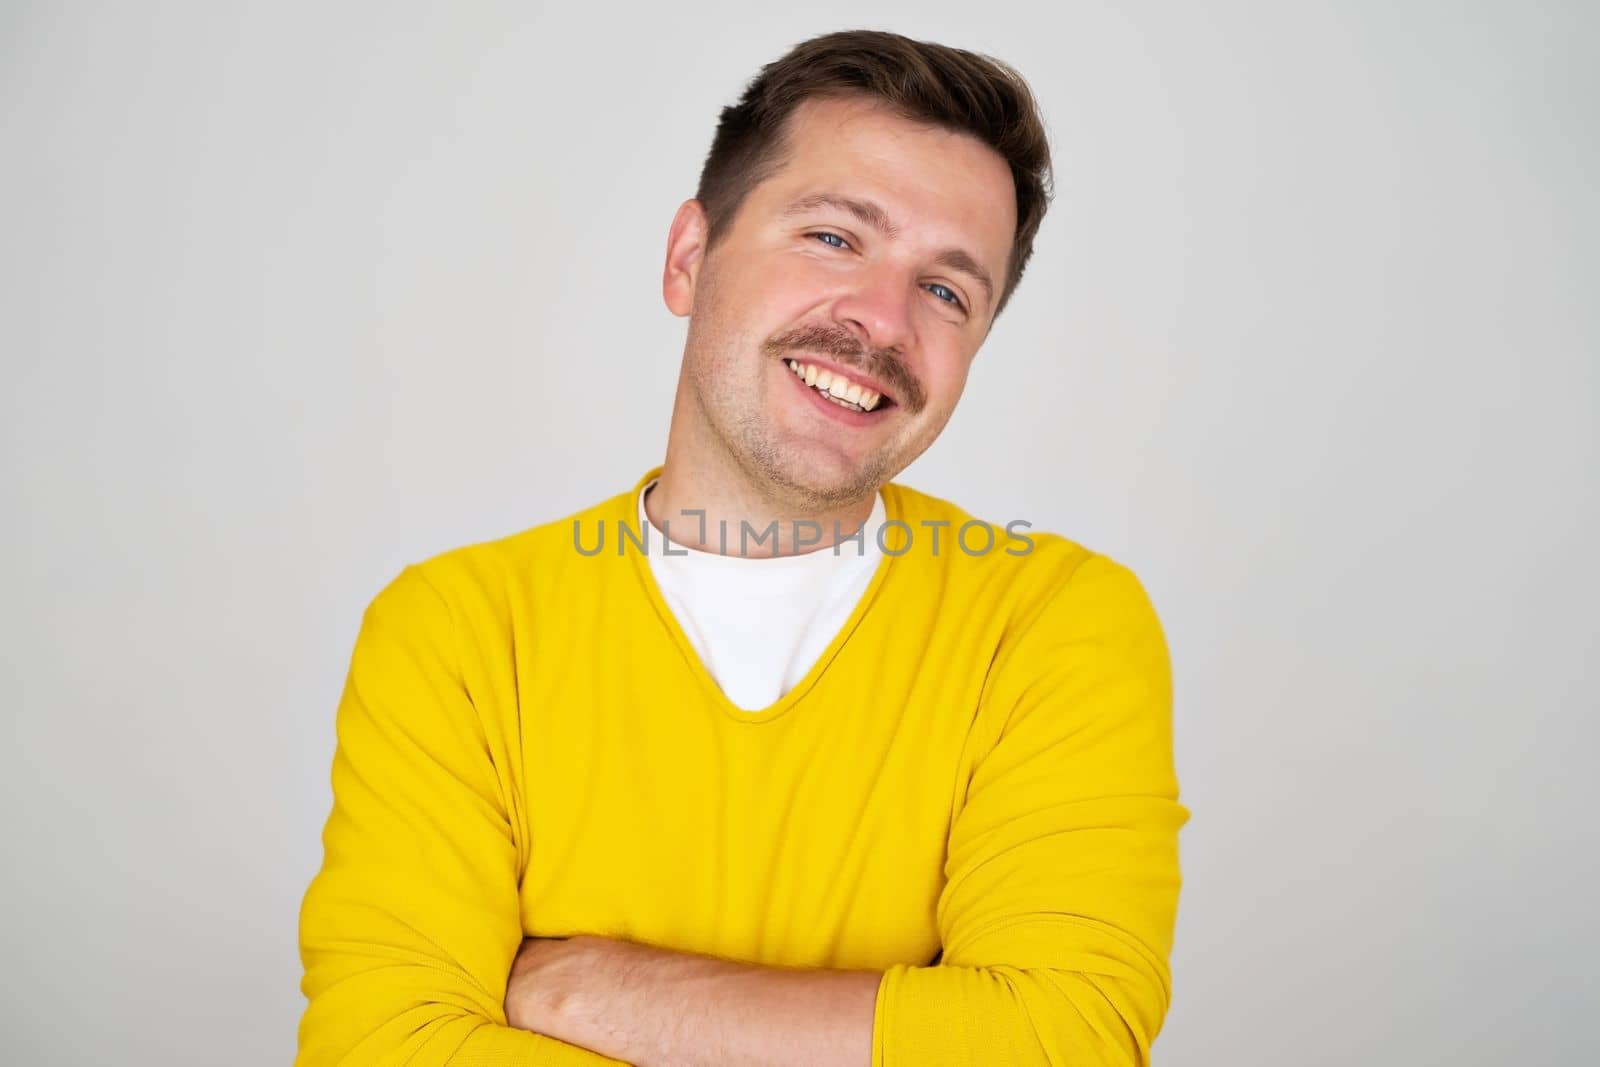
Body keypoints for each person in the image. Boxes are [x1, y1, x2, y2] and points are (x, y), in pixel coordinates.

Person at [296, 28, 1187, 1067]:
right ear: (688, 259)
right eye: (833, 238)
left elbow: (1058, 1041)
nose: (880, 322)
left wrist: (585, 988)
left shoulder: (1051, 623)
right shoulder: (458, 632)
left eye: (947, 290)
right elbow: (380, 1047)